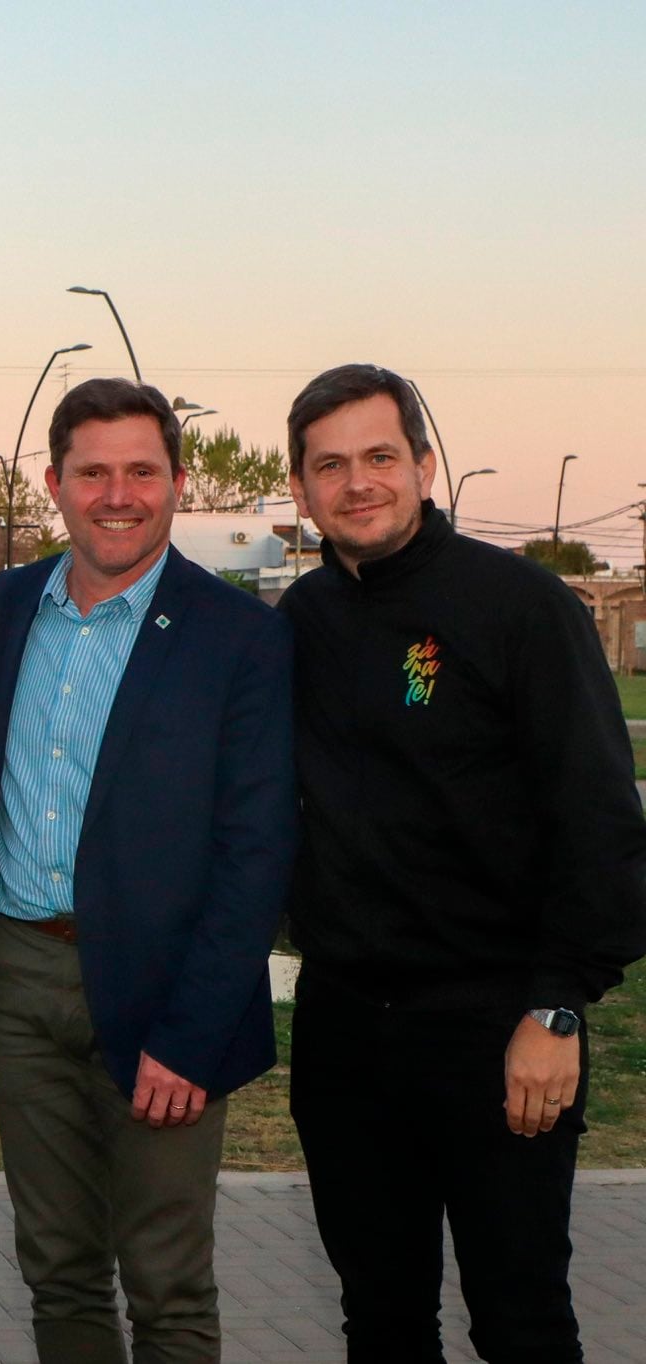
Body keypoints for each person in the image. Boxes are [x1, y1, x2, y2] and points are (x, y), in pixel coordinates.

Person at [280, 363, 646, 1363]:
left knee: (520, 1318)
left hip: (496, 1026)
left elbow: (597, 821)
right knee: (378, 1318)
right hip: (345, 1031)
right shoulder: (298, 624)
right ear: (299, 488)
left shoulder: (519, 609)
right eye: (329, 465)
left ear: (423, 464)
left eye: (378, 456)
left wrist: (556, 1005)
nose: (357, 482)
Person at [0, 377, 295, 1363]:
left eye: (140, 471)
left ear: (177, 481)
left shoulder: (237, 636)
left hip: (166, 996)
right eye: (93, 472)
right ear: (53, 484)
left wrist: (192, 1036)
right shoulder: (10, 601)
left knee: (165, 1282)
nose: (118, 494)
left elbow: (255, 849)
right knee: (56, 1268)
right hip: (23, 979)